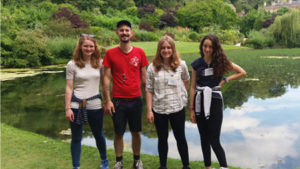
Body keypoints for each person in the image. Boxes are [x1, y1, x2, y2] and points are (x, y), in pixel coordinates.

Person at [189, 34, 246, 169]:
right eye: (205, 46)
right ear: (201, 46)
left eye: (210, 47)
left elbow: (241, 72)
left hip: (215, 102)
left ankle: (223, 167)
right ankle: (208, 167)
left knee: (214, 139)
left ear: (215, 48)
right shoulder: (196, 64)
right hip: (199, 102)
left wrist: (225, 80)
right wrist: (191, 109)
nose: (207, 49)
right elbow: (192, 87)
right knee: (204, 138)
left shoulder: (221, 62)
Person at [102, 20, 148, 169]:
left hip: (135, 100)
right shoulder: (110, 53)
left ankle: (137, 160)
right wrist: (108, 101)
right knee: (118, 133)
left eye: (127, 30)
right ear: (117, 32)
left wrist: (149, 102)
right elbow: (106, 79)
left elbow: (145, 79)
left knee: (136, 132)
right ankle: (119, 161)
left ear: (131, 33)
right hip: (118, 101)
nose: (124, 33)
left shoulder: (140, 52)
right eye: (121, 30)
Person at [145, 35, 191, 169]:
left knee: (180, 138)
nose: (166, 50)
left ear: (173, 49)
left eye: (168, 47)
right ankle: (163, 166)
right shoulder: (152, 67)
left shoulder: (181, 65)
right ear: (159, 50)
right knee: (162, 139)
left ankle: (186, 165)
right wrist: (149, 110)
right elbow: (149, 90)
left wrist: (182, 96)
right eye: (163, 48)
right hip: (159, 109)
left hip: (177, 108)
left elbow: (186, 81)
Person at [65, 34, 109, 169]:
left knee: (98, 135)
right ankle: (76, 166)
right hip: (76, 105)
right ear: (80, 47)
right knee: (76, 137)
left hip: (95, 105)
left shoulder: (100, 64)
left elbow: (104, 85)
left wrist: (107, 101)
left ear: (95, 47)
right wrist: (67, 108)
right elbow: (69, 87)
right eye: (86, 46)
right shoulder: (72, 65)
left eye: (91, 46)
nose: (89, 49)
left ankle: (104, 160)